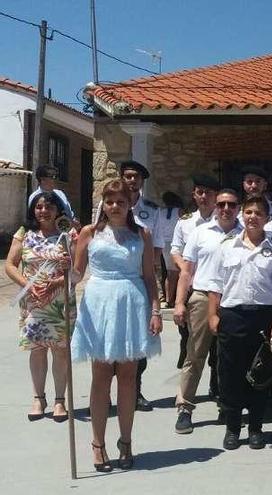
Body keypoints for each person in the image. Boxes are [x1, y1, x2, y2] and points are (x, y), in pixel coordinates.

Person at [70, 179, 163, 472]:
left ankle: (126, 440)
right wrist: (64, 268)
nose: (114, 207)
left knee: (128, 376)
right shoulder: (89, 232)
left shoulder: (142, 234)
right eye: (109, 201)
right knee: (101, 376)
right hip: (99, 303)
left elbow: (149, 276)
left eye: (120, 202)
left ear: (129, 204)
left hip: (132, 304)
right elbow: (76, 274)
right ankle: (98, 443)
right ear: (103, 204)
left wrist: (156, 309)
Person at [205, 195, 272, 450]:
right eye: (249, 212)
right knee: (230, 374)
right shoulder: (227, 246)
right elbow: (214, 284)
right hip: (232, 316)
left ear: (267, 218)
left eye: (258, 213)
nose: (252, 217)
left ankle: (255, 427)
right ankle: (233, 427)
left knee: (261, 374)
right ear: (243, 215)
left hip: (263, 317)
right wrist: (212, 315)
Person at [172, 188, 242, 435]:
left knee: (229, 358)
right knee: (195, 354)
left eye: (231, 205)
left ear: (238, 208)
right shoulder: (200, 233)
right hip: (202, 297)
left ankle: (228, 405)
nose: (226, 209)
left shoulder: (246, 234)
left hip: (233, 300)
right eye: (221, 204)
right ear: (215, 205)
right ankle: (185, 408)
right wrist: (180, 303)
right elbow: (187, 271)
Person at [5, 192, 76, 422]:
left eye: (49, 207)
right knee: (37, 350)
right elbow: (10, 265)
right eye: (39, 207)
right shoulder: (24, 233)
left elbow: (77, 268)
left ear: (58, 210)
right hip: (33, 300)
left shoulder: (68, 234)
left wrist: (60, 277)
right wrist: (28, 285)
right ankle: (38, 397)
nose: (43, 211)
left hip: (59, 300)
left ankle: (59, 400)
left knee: (60, 350)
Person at [101, 160, 163, 412]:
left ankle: (134, 391)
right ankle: (104, 392)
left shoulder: (150, 210)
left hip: (138, 277)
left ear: (142, 181)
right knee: (108, 346)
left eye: (136, 177)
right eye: (127, 176)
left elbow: (156, 245)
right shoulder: (106, 205)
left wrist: (156, 278)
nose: (132, 180)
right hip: (111, 282)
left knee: (136, 347)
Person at [170, 175, 220, 372]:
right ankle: (187, 381)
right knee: (189, 336)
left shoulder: (227, 220)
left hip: (215, 287)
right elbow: (175, 250)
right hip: (191, 287)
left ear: (216, 196)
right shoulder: (185, 222)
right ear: (194, 195)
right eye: (200, 192)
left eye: (209, 193)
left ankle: (215, 385)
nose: (204, 196)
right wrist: (185, 269)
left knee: (217, 340)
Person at [238, 166, 272, 238]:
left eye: (258, 181)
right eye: (249, 182)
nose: (254, 185)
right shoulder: (236, 210)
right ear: (244, 185)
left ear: (265, 185)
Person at [157, 191, 184, 308]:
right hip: (175, 243)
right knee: (175, 272)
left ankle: (169, 297)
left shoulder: (160, 212)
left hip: (164, 243)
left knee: (169, 271)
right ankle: (171, 299)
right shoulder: (180, 211)